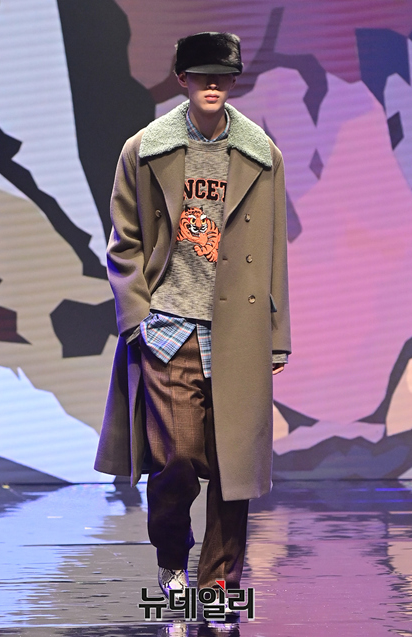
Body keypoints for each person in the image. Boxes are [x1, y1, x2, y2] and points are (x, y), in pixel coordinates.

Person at [95, 31, 291, 598]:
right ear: (182, 79)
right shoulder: (145, 149)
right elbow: (125, 241)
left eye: (222, 75)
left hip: (238, 331)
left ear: (233, 81)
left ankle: (218, 587)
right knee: (176, 458)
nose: (213, 84)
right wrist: (137, 318)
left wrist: (277, 336)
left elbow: (273, 250)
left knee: (233, 468)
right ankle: (171, 559)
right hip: (169, 326)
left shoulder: (261, 154)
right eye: (202, 74)